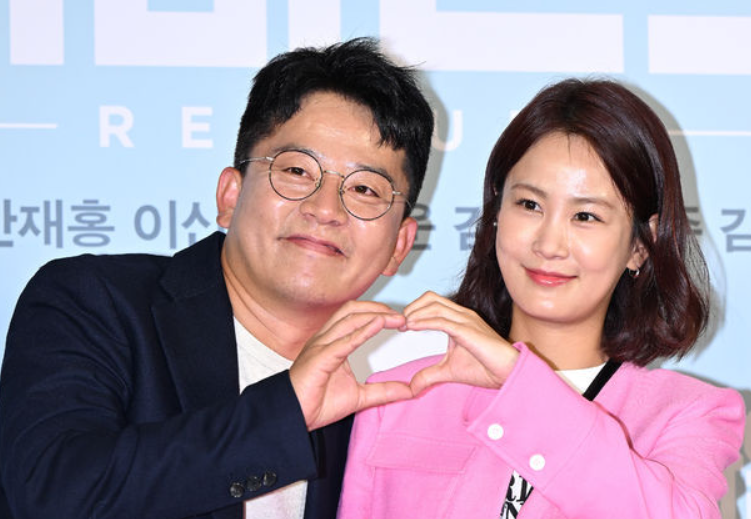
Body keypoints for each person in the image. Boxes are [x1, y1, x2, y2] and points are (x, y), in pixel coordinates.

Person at [0, 37, 434, 519]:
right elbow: (54, 492)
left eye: (366, 189)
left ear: (399, 245)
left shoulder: (370, 413)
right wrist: (284, 413)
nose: (325, 209)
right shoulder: (94, 300)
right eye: (296, 170)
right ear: (230, 195)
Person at [337, 78, 746, 519]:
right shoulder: (399, 396)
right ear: (496, 213)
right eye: (529, 205)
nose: (549, 244)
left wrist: (518, 379)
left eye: (585, 216)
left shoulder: (689, 414)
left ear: (639, 246)